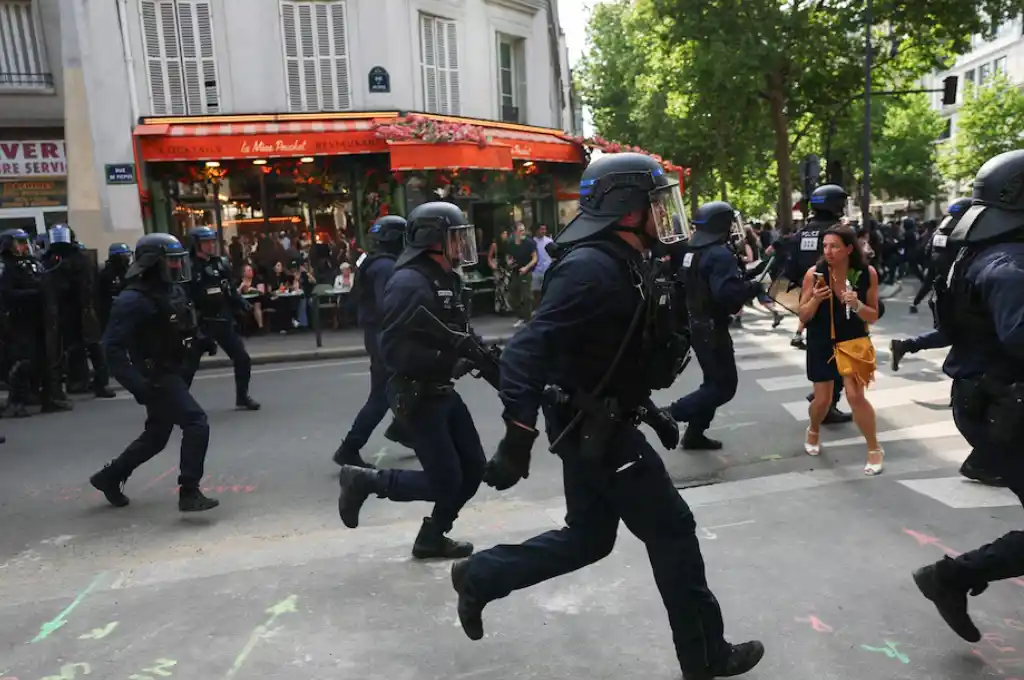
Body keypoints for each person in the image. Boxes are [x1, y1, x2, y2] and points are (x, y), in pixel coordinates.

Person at [448, 153, 763, 680]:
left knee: (589, 539)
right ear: (624, 207)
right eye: (653, 203)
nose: (664, 215)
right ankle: (705, 657)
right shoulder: (591, 268)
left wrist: (650, 412)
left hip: (601, 421)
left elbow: (607, 355)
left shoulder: (623, 258)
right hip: (594, 430)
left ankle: (480, 575)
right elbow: (526, 351)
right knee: (673, 530)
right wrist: (517, 437)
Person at [913, 149, 1024, 644]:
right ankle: (952, 576)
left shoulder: (975, 253)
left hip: (987, 399)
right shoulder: (1010, 264)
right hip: (1002, 404)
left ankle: (953, 577)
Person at [336, 201, 487, 560]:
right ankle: (366, 481)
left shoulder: (446, 277)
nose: (461, 246)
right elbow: (393, 352)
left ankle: (433, 536)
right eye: (454, 238)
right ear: (432, 239)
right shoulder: (408, 281)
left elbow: (460, 331)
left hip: (441, 390)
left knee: (474, 468)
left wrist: (485, 355)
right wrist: (450, 359)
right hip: (417, 394)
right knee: (445, 480)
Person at [89, 233, 219, 513]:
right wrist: (138, 385)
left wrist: (200, 339)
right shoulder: (132, 299)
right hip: (156, 375)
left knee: (157, 436)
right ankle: (189, 490)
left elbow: (181, 323)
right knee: (196, 423)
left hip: (175, 367)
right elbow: (111, 348)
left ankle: (109, 477)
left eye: (177, 261)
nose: (176, 267)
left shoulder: (172, 290)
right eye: (170, 261)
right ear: (153, 263)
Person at [667, 201, 761, 450]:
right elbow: (727, 296)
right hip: (713, 327)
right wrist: (756, 286)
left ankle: (695, 434)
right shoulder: (719, 254)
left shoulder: (691, 251)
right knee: (724, 387)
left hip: (696, 324)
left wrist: (749, 275)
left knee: (712, 383)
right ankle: (672, 414)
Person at [798, 226, 883, 474]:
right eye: (825, 246)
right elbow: (802, 315)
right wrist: (815, 299)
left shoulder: (867, 274)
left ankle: (874, 448)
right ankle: (813, 429)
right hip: (820, 340)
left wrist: (856, 304)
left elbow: (874, 315)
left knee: (855, 397)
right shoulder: (814, 274)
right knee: (822, 400)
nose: (828, 251)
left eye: (834, 246)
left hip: (853, 340)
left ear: (848, 249)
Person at [331, 215, 408, 469]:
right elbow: (389, 305)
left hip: (376, 335)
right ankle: (350, 448)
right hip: (384, 336)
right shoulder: (386, 267)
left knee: (400, 386)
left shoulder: (373, 262)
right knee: (382, 396)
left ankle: (405, 430)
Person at [784, 185, 854, 425]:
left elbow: (790, 270)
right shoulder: (840, 233)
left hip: (811, 303)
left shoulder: (800, 233)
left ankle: (823, 397)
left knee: (823, 353)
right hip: (838, 301)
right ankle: (826, 402)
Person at [182, 226, 260, 410]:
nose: (210, 245)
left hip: (222, 319)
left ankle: (242, 396)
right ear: (196, 244)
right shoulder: (187, 266)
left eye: (212, 242)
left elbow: (230, 290)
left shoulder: (220, 263)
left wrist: (242, 304)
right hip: (201, 322)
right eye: (206, 242)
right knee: (188, 367)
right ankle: (177, 403)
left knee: (242, 358)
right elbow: (182, 296)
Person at [0, 228, 72, 416]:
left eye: (26, 242)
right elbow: (6, 294)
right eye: (20, 242)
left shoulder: (31, 264)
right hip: (18, 321)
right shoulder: (6, 267)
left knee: (44, 360)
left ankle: (49, 398)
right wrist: (35, 294)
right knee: (23, 361)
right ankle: (15, 402)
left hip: (40, 319)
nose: (25, 246)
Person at [41, 224, 115, 399]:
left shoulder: (80, 258)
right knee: (70, 349)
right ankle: (77, 381)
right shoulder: (51, 258)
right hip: (63, 311)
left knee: (93, 347)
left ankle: (100, 383)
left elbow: (87, 283)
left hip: (83, 309)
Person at [505, 222, 537, 326]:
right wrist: (509, 262)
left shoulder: (529, 243)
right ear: (515, 232)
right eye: (520, 230)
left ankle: (528, 320)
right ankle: (522, 316)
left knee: (527, 296)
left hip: (526, 271)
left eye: (524, 230)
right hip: (515, 271)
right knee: (511, 297)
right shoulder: (510, 243)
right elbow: (509, 256)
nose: (523, 232)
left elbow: (535, 258)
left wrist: (526, 268)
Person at [98, 242, 133, 330]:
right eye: (125, 256)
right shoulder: (107, 275)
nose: (128, 258)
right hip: (112, 314)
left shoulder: (130, 271)